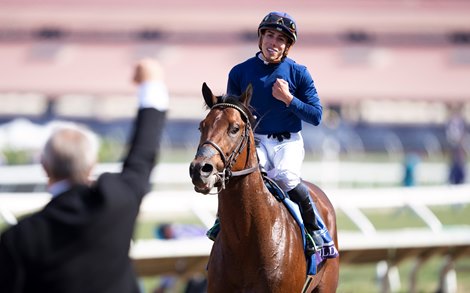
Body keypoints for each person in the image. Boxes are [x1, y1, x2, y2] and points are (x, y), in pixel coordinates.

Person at [0, 58, 168, 293]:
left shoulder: (20, 238)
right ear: (92, 165)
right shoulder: (118, 201)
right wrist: (152, 84)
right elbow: (143, 152)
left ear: (45, 167)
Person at [222, 11, 336, 256]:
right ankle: (222, 223)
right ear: (261, 38)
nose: (273, 42)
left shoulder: (299, 73)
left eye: (281, 39)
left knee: (285, 177)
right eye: (270, 35)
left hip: (287, 143)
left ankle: (317, 231)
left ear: (287, 46)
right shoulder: (239, 72)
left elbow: (316, 116)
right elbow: (232, 114)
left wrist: (289, 99)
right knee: (238, 177)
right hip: (255, 141)